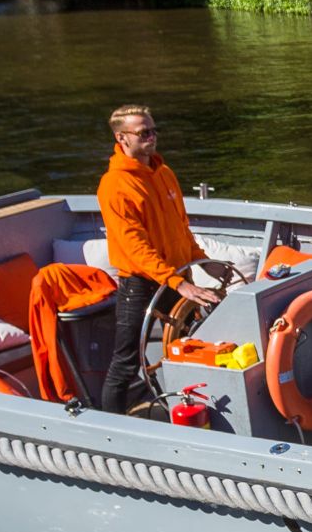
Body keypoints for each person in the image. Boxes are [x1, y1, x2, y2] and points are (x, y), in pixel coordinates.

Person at [95, 104, 228, 414]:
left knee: (188, 348)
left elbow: (180, 229)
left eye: (154, 130)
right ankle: (110, 430)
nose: (152, 137)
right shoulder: (114, 186)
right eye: (144, 133)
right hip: (140, 284)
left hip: (179, 278)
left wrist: (202, 261)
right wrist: (176, 282)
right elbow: (135, 246)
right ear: (121, 137)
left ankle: (190, 411)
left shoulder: (164, 173)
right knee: (126, 361)